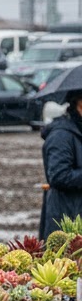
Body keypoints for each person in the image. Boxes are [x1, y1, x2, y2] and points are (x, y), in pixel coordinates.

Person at [40, 90, 82, 238]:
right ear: (79, 103)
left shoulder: (78, 129)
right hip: (66, 219)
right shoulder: (61, 135)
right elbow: (59, 176)